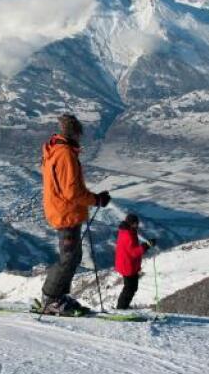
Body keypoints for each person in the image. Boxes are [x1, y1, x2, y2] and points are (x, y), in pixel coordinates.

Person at [40, 113, 111, 314]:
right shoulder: (65, 154)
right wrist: (96, 200)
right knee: (69, 257)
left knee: (73, 255)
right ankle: (51, 297)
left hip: (62, 210)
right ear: (75, 133)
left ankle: (57, 295)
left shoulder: (54, 150)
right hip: (66, 213)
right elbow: (71, 191)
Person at [114, 214, 155, 309]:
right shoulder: (128, 234)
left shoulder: (127, 231)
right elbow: (133, 252)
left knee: (132, 287)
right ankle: (121, 308)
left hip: (128, 264)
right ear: (131, 223)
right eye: (136, 223)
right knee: (129, 288)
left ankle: (123, 307)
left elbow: (131, 249)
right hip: (127, 265)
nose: (137, 225)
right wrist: (146, 246)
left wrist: (146, 244)